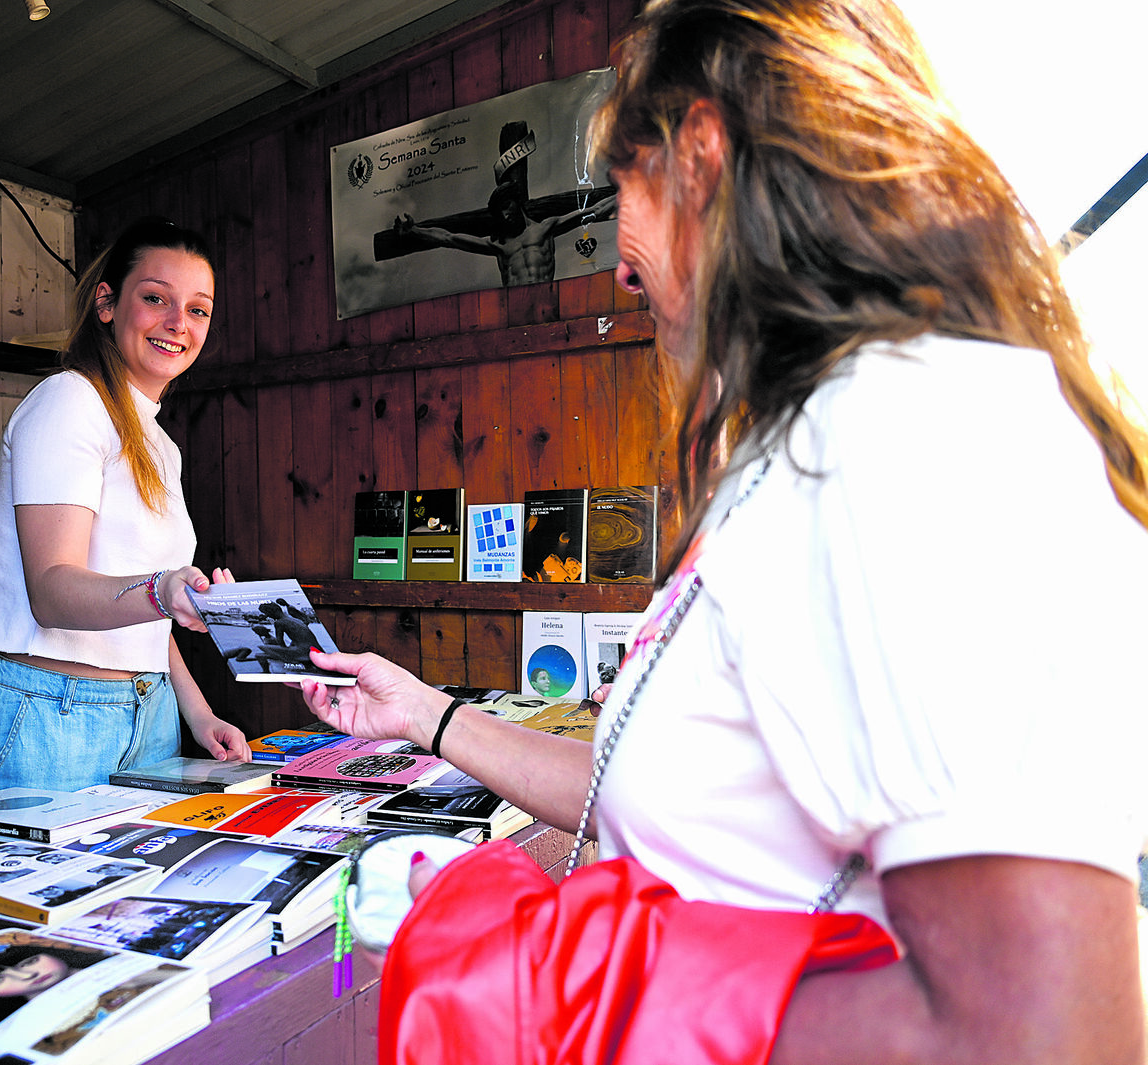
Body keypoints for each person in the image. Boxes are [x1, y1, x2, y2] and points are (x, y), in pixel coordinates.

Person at [298, 1, 1148, 1062]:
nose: (613, 261)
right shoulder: (816, 438)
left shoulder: (904, 433)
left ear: (701, 152)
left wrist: (547, 981)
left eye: (622, 189)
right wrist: (427, 714)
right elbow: (690, 794)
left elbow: (1042, 1039)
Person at [0, 216, 250, 798]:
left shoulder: (161, 445)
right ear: (107, 304)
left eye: (197, 309)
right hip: (47, 717)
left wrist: (199, 714)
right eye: (156, 299)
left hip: (150, 714)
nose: (177, 324)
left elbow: (139, 614)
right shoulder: (69, 402)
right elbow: (54, 590)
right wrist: (163, 589)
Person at [393, 186, 617, 286]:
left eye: (507, 205)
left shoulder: (545, 228)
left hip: (545, 298)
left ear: (518, 203)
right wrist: (415, 230)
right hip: (512, 308)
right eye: (500, 210)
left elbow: (594, 212)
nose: (505, 214)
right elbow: (448, 238)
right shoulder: (499, 246)